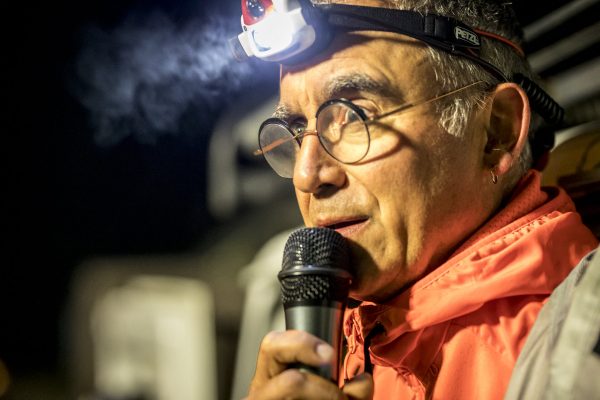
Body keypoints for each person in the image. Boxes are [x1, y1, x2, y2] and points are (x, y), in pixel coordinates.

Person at [233, 0, 600, 398]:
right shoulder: (335, 342)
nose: (307, 176)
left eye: (356, 115)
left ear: (497, 133)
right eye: (296, 128)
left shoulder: (575, 357)